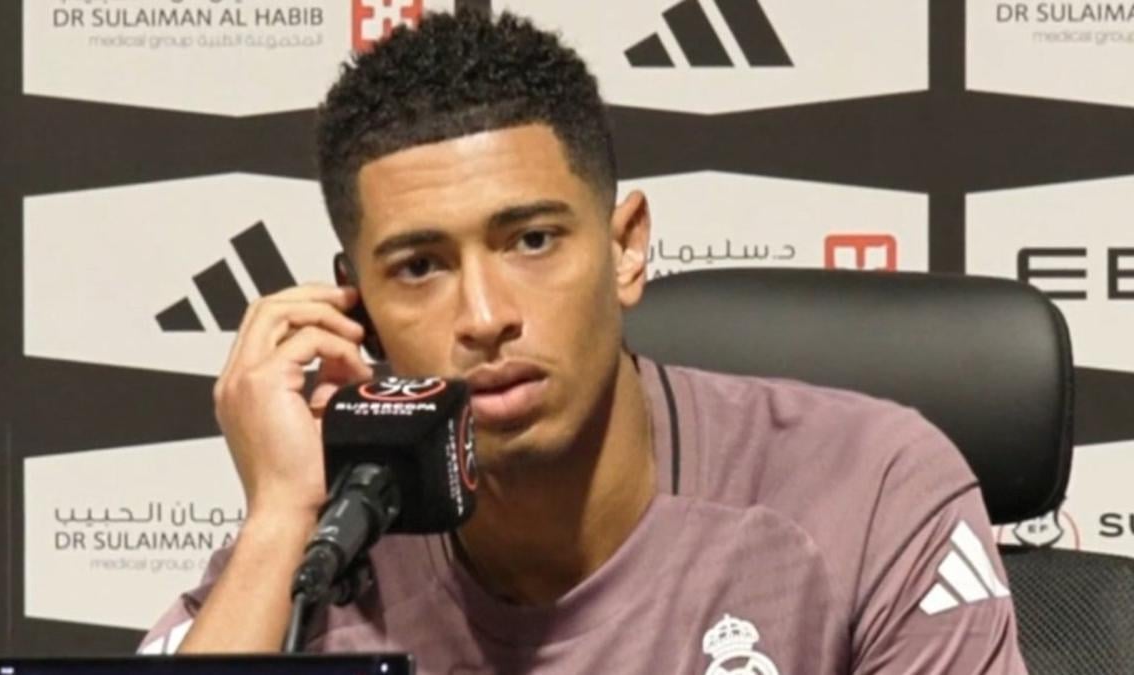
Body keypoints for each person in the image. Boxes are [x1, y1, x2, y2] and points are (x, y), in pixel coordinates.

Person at [141, 9, 1028, 673]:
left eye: (532, 240)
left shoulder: (867, 490)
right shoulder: (332, 539)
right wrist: (280, 519)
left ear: (626, 248)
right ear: (357, 306)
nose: (484, 314)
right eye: (419, 266)